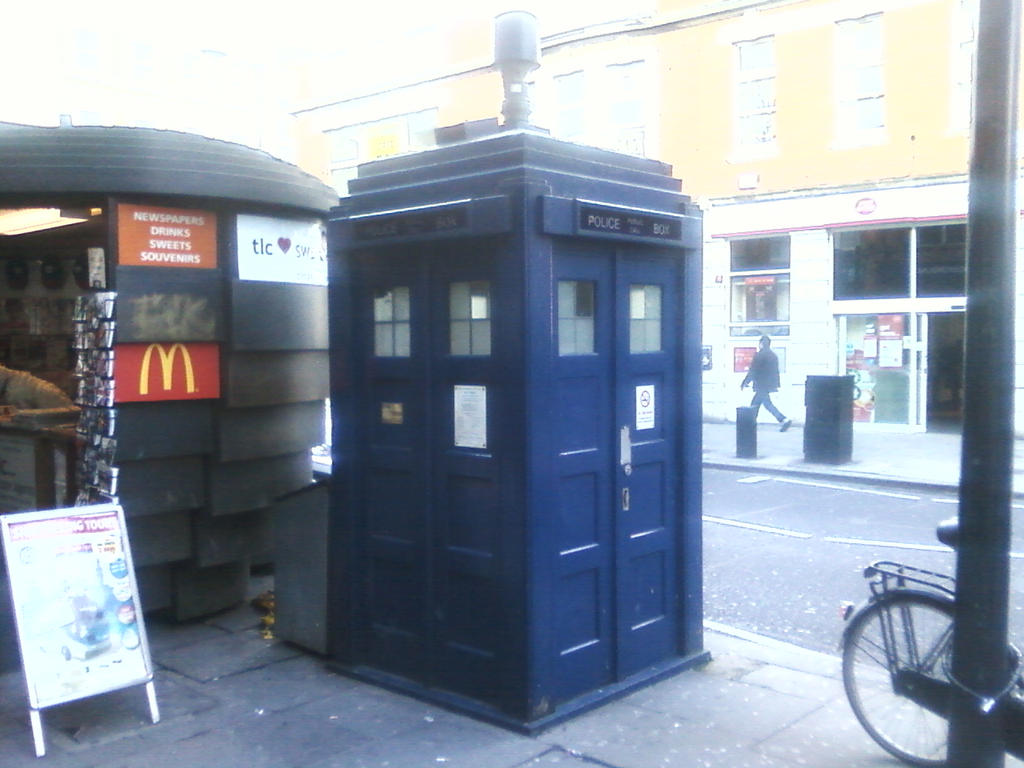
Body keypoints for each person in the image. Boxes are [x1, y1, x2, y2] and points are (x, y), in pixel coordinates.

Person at [740, 335, 792, 432]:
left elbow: (753, 370)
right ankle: (750, 423)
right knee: (755, 404)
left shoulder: (759, 355)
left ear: (761, 344)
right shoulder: (773, 356)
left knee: (766, 404)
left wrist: (745, 382)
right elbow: (775, 372)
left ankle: (784, 419)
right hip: (768, 385)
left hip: (761, 384)